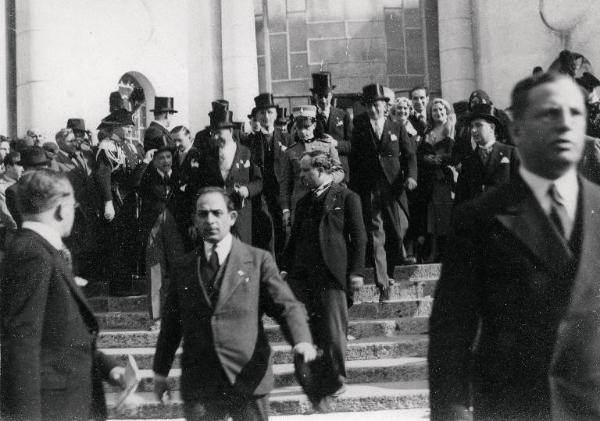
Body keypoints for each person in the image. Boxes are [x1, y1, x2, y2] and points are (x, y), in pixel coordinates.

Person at [428, 73, 600, 420]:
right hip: (513, 406)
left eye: (575, 113)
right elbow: (452, 330)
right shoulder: (479, 219)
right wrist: (452, 412)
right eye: (549, 113)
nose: (566, 125)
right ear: (517, 129)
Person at [152, 187, 316, 421]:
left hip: (248, 378)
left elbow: (286, 306)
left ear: (232, 217)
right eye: (203, 214)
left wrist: (301, 340)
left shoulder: (258, 261)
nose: (210, 220)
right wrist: (160, 373)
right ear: (195, 219)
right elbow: (170, 326)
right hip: (201, 383)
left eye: (217, 213)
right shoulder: (183, 267)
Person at [0, 169, 128, 421]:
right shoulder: (33, 254)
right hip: (55, 407)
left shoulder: (41, 250)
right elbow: (22, 343)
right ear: (60, 208)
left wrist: (108, 367)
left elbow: (59, 335)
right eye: (73, 205)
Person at [281, 151, 366, 411]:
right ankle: (316, 380)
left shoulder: (347, 197)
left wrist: (357, 272)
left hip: (331, 274)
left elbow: (360, 237)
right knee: (307, 330)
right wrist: (285, 268)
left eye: (306, 170)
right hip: (302, 276)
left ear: (320, 169)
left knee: (333, 331)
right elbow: (294, 239)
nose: (302, 175)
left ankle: (337, 378)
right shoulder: (303, 201)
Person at [349, 83, 417, 302]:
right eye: (369, 106)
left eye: (376, 106)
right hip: (370, 187)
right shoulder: (359, 126)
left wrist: (411, 176)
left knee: (398, 232)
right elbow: (354, 158)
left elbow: (409, 155)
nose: (373, 110)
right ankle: (383, 284)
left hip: (394, 187)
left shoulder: (396, 126)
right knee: (376, 234)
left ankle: (391, 272)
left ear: (384, 106)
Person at [191, 107, 263, 245]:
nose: (215, 137)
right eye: (213, 133)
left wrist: (247, 190)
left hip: (240, 215)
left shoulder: (246, 153)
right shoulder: (208, 156)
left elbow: (258, 182)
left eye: (219, 133)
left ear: (230, 131)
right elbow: (199, 185)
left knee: (240, 255)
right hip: (215, 217)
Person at [94, 108, 144, 295]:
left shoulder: (128, 146)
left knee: (127, 242)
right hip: (115, 201)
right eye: (127, 126)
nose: (130, 129)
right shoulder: (107, 147)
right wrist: (107, 202)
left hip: (128, 201)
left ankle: (127, 283)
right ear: (116, 127)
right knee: (116, 243)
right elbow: (102, 175)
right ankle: (118, 287)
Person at [136, 145, 184, 321]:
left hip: (175, 228)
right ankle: (156, 318)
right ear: (154, 160)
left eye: (168, 157)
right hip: (153, 228)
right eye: (161, 158)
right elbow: (135, 183)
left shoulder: (178, 176)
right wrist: (145, 162)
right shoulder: (147, 175)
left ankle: (180, 315)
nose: (166, 161)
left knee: (180, 269)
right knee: (155, 271)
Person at [241, 93, 290, 257]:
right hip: (261, 196)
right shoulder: (250, 142)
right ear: (256, 116)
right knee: (266, 232)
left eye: (269, 112)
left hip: (281, 193)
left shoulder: (286, 138)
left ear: (276, 114)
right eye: (262, 113)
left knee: (283, 232)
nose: (266, 117)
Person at [280, 105, 344, 224]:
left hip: (324, 200)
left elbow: (340, 171)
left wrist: (328, 179)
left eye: (306, 127)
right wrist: (285, 210)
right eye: (299, 128)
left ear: (314, 125)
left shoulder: (327, 145)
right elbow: (285, 184)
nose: (303, 132)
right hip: (300, 202)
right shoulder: (290, 152)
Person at [454, 103, 519, 205]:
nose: (473, 130)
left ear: (492, 128)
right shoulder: (468, 161)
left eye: (479, 125)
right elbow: (460, 199)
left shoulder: (511, 154)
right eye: (472, 126)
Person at [55, 128, 99, 278]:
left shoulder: (81, 155)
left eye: (75, 140)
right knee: (74, 248)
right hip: (73, 211)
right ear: (60, 143)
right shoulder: (56, 162)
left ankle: (89, 281)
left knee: (88, 246)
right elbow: (56, 188)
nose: (75, 143)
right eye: (70, 141)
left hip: (88, 208)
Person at [416, 98, 456, 262]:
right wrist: (428, 159)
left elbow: (455, 154)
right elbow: (419, 155)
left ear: (446, 111)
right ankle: (433, 251)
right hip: (429, 180)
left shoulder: (452, 129)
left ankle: (447, 252)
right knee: (431, 217)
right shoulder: (427, 132)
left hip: (445, 180)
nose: (438, 112)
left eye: (441, 109)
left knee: (445, 215)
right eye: (434, 110)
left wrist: (440, 158)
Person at [310, 72, 352, 182]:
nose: (323, 100)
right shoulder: (311, 116)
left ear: (331, 95)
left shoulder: (343, 115)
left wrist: (336, 144)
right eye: (320, 96)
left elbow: (353, 145)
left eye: (326, 96)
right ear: (315, 96)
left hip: (340, 173)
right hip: (319, 173)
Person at [0, 151, 22, 248]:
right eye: (20, 165)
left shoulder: (23, 181)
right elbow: (8, 218)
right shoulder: (1, 187)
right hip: (14, 233)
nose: (23, 168)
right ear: (8, 167)